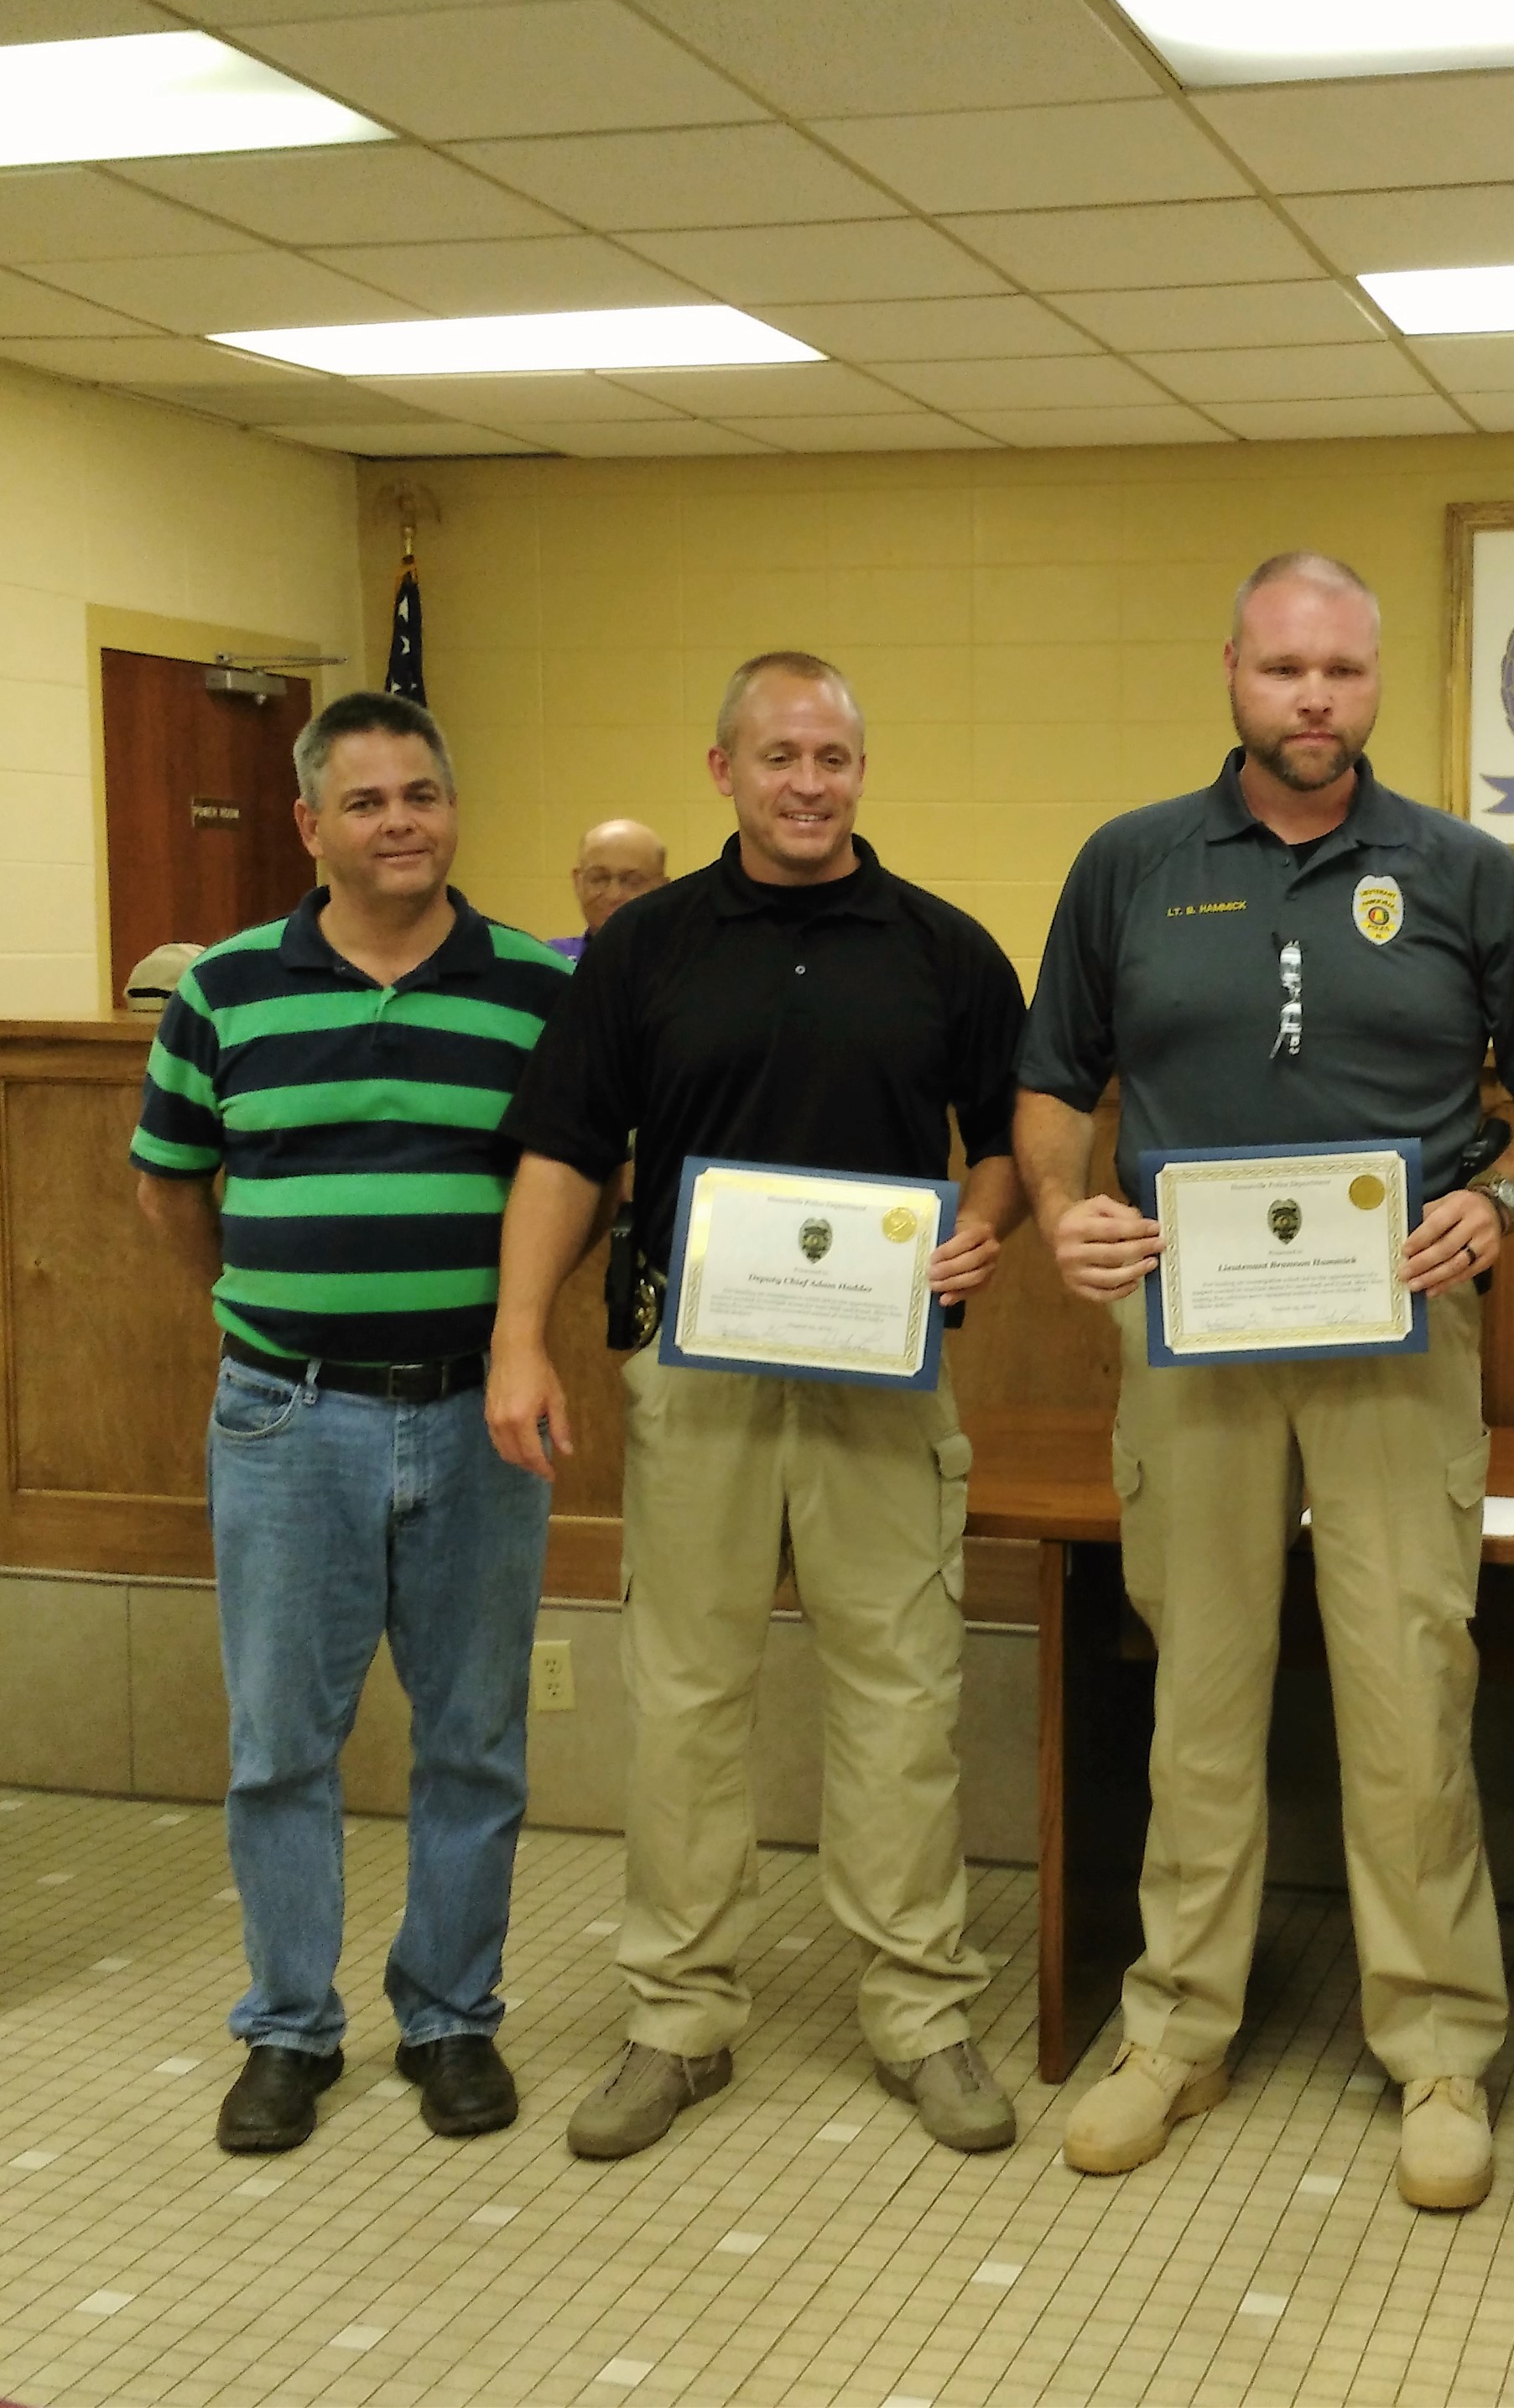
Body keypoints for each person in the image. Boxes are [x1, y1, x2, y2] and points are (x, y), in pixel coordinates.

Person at [1013, 551, 1514, 2213]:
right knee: (1197, 1688)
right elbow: (1052, 1078)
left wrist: (1491, 1198)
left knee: (1404, 1685)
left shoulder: (1458, 869)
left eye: (1340, 672)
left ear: (1372, 683)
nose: (1311, 699)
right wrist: (1063, 1201)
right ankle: (1172, 2026)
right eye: (1282, 668)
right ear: (1230, 670)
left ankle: (1434, 2043)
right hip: (1186, 1332)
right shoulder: (1128, 863)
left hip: (1392, 1330)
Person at [488, 651, 1030, 2163]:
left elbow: (1006, 1141)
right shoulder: (643, 948)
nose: (809, 784)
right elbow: (559, 1152)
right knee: (681, 1703)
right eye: (779, 756)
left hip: (884, 1380)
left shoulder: (942, 948)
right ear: (720, 769)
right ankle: (676, 2016)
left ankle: (921, 2007)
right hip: (695, 1371)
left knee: (902, 1698)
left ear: (864, 770)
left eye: (835, 758)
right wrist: (515, 1337)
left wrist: (985, 1222)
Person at [129, 691, 572, 2155]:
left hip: (474, 1420)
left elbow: (575, 1185)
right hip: (284, 1420)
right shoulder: (229, 989)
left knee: (474, 1742)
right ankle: (288, 2031)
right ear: (312, 823)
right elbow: (169, 1188)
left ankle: (449, 2018)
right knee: (279, 1746)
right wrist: (270, 1327)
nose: (404, 823)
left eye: (425, 796)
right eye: (370, 802)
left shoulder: (531, 989)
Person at [550, 817, 667, 960]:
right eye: (599, 879)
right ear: (578, 882)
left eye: (632, 881)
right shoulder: (550, 965)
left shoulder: (690, 968)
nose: (613, 895)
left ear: (663, 889)